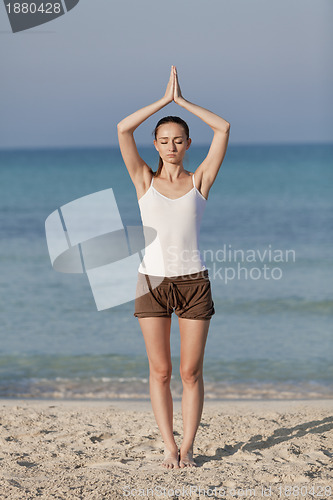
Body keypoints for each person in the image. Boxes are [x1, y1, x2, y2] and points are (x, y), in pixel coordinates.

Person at [117, 66, 230, 469]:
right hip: (151, 282)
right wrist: (162, 102)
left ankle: (189, 447)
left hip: (194, 282)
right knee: (161, 371)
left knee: (190, 372)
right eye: (163, 140)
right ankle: (169, 446)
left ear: (187, 144)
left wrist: (182, 102)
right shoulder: (143, 180)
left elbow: (224, 128)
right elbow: (122, 130)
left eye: (178, 140)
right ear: (156, 143)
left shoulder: (200, 180)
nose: (170, 146)